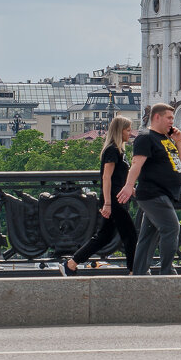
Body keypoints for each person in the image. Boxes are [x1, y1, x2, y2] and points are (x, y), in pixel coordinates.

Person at [59, 116, 138, 276]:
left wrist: (133, 190)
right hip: (114, 200)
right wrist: (107, 203)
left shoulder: (120, 150)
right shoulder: (112, 150)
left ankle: (71, 264)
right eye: (128, 130)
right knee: (130, 235)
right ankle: (133, 271)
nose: (130, 133)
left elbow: (120, 177)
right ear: (119, 131)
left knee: (104, 236)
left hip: (118, 198)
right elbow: (106, 177)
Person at [117, 102, 181, 275]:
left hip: (164, 194)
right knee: (171, 228)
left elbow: (176, 162)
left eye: (173, 118)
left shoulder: (165, 138)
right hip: (153, 193)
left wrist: (179, 141)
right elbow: (136, 163)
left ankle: (139, 272)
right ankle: (167, 271)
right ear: (157, 117)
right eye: (169, 118)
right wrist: (129, 185)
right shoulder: (146, 137)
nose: (172, 121)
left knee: (148, 235)